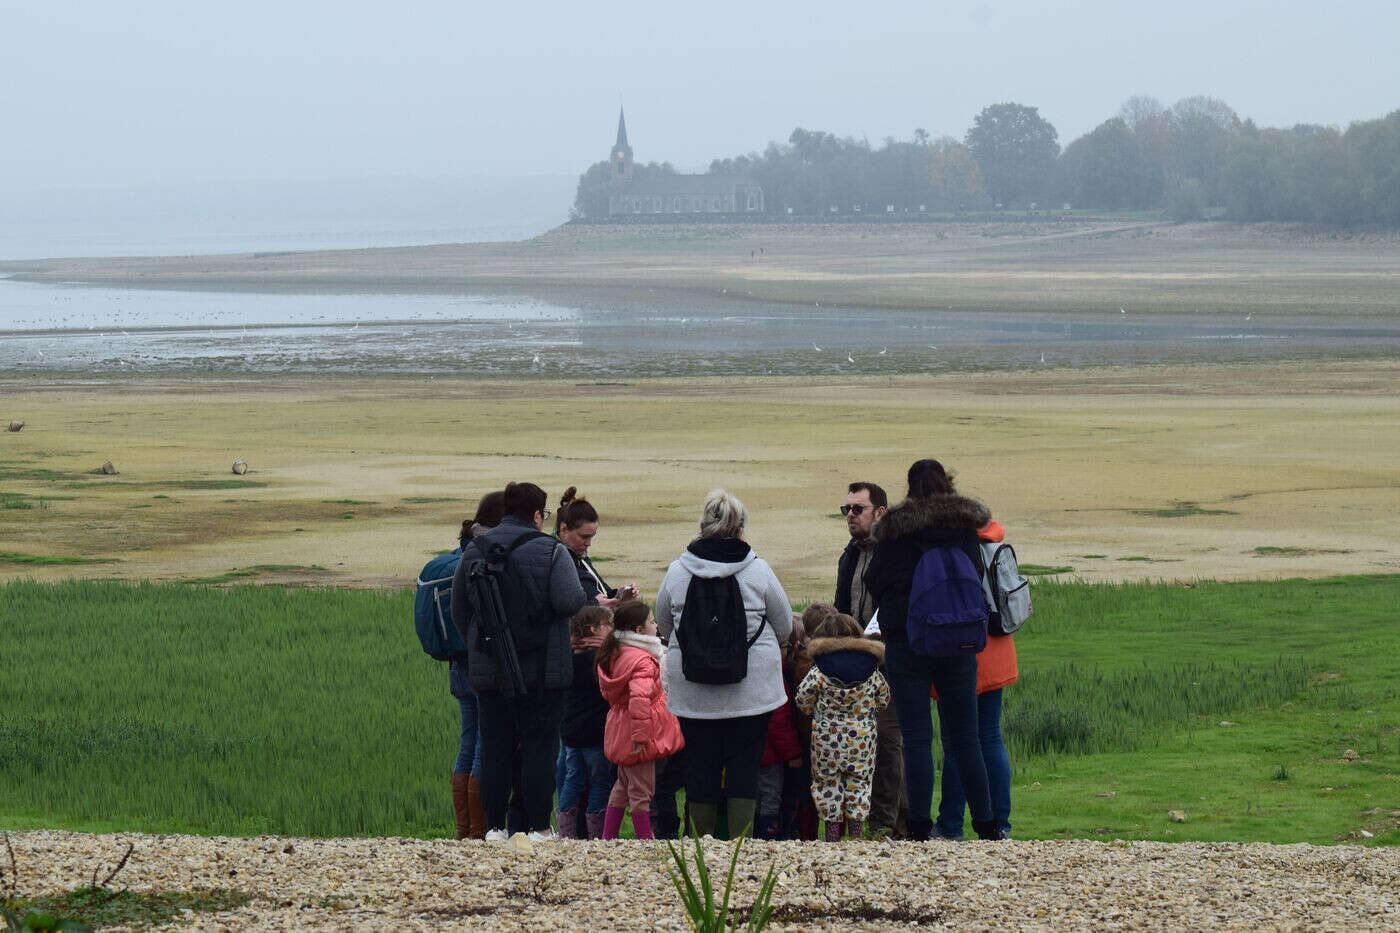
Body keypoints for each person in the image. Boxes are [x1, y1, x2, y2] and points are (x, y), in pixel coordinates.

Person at [864, 459, 1003, 841]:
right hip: (959, 644)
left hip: (908, 645)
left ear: (910, 488)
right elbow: (976, 578)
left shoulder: (894, 532)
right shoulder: (965, 528)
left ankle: (920, 828)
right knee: (966, 738)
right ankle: (988, 826)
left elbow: (874, 580)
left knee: (918, 738)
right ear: (947, 483)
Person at [451, 481, 588, 842]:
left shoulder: (475, 551)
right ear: (537, 515)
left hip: (490, 670)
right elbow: (570, 601)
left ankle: (494, 827)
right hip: (545, 671)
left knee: (495, 745)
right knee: (540, 747)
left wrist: (482, 645)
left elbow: (460, 610)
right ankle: (539, 827)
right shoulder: (552, 552)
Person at [656, 489, 793, 839]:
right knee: (744, 767)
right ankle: (740, 842)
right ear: (741, 529)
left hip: (694, 691)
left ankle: (702, 842)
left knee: (700, 766)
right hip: (752, 691)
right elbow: (785, 626)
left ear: (701, 525)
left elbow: (664, 625)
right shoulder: (758, 570)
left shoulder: (677, 571)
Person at [934, 516, 1018, 839]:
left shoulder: (950, 547)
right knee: (990, 738)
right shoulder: (991, 541)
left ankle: (950, 825)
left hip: (960, 652)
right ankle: (1000, 825)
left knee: (958, 742)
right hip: (997, 647)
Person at [835, 480, 906, 839]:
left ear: (880, 512)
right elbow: (841, 609)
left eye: (857, 509)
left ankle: (887, 826)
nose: (850, 515)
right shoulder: (849, 554)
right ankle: (891, 824)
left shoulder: (896, 553)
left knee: (888, 741)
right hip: (856, 662)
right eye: (845, 509)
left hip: (891, 661)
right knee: (863, 743)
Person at [795, 613, 891, 841]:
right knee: (859, 784)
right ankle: (856, 836)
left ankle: (832, 837)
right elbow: (884, 699)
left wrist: (816, 711)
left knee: (827, 784)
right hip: (863, 739)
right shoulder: (871, 669)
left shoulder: (819, 669)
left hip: (826, 740)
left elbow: (802, 699)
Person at [596, 599, 684, 840]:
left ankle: (608, 836)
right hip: (640, 733)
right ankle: (645, 839)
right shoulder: (643, 660)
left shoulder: (617, 653)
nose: (656, 625)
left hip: (620, 727)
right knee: (642, 790)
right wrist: (642, 736)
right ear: (638, 630)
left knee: (622, 785)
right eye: (652, 621)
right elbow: (639, 699)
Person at [449, 491, 503, 840]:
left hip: (457, 663)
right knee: (485, 741)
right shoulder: (481, 557)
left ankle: (465, 831)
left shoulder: (457, 554)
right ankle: (479, 831)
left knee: (468, 741)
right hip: (482, 662)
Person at [556, 605, 616, 839]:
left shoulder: (567, 655)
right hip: (596, 733)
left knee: (572, 780)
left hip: (570, 734)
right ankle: (597, 835)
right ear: (593, 629)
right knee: (600, 781)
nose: (613, 629)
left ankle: (566, 833)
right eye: (608, 625)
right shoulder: (602, 659)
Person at [555, 487, 639, 608]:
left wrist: (620, 595)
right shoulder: (556, 561)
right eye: (584, 537)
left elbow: (603, 593)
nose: (589, 543)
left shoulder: (579, 558)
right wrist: (598, 604)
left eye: (591, 537)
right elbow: (567, 607)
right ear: (564, 529)